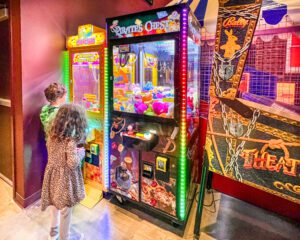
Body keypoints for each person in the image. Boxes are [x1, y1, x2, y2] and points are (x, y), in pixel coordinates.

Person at [41, 104, 87, 240]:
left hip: (52, 175)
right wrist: (81, 154)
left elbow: (58, 155)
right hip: (65, 180)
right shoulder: (70, 141)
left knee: (54, 206)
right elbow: (72, 163)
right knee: (66, 211)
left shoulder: (51, 136)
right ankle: (64, 237)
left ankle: (53, 233)